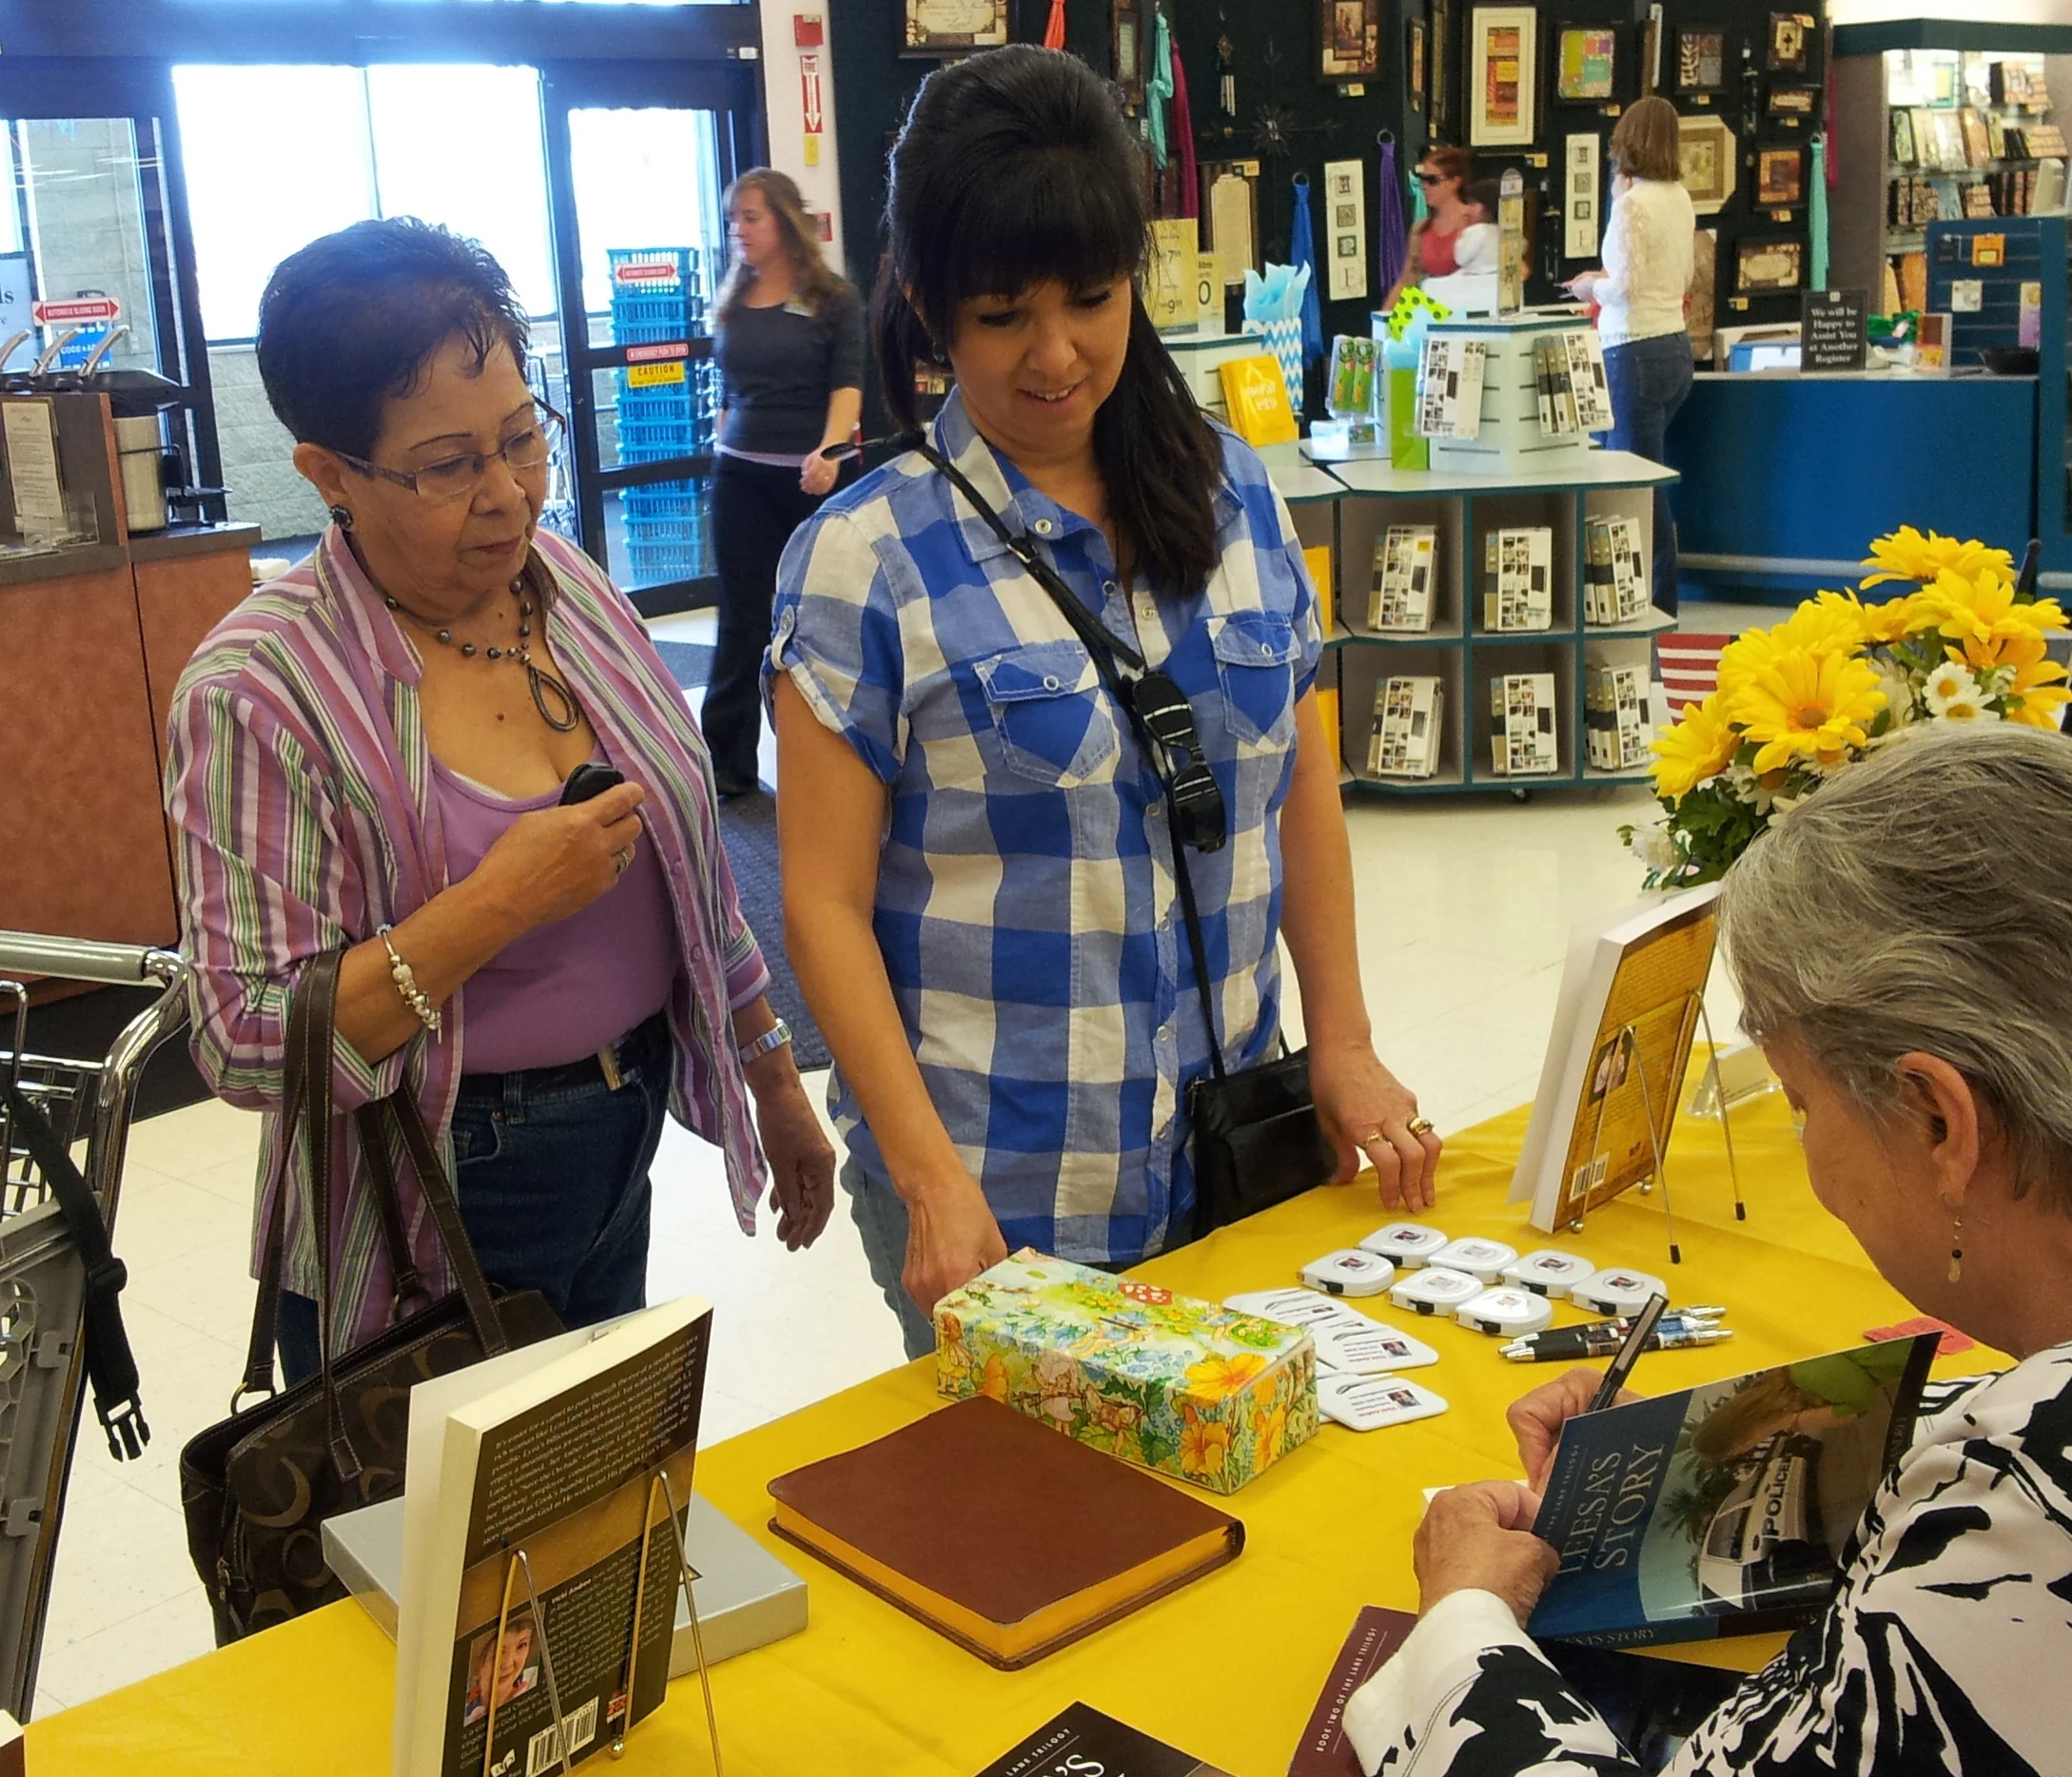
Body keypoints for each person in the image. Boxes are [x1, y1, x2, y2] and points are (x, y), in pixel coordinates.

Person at [1349, 724, 2072, 1777]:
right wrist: (1713, 1466)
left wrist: (1464, 1622)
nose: (1808, 1155)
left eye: (1802, 1101)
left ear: (1938, 1121)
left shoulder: (2055, 1489)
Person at [767, 46, 1435, 1359]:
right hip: (1006, 1185)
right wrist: (926, 1179)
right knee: (1048, 1551)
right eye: (1004, 312)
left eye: (1092, 296)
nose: (1057, 354)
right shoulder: (866, 558)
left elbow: (1302, 792)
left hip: (1240, 1144)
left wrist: (1342, 1040)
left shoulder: (1238, 493)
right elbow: (823, 904)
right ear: (929, 302)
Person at [167, 220, 837, 1382]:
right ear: (328, 472)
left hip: (621, 1130)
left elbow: (689, 846)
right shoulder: (260, 692)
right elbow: (244, 1036)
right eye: (445, 465)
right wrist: (495, 905)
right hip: (432, 1184)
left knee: (586, 1525)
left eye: (523, 439)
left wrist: (767, 1067)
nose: (507, 494)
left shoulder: (562, 577)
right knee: (436, 1549)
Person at [704, 169, 866, 801]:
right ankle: (726, 764)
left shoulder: (834, 300)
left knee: (821, 621)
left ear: (785, 221)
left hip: (814, 479)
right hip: (741, 476)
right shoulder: (733, 300)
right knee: (742, 621)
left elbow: (847, 383)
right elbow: (729, 386)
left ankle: (841, 754)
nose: (738, 231)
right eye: (732, 221)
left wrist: (829, 449)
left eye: (751, 217)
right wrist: (720, 436)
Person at [1574, 98, 1694, 614]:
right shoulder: (1680, 197)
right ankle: (1654, 602)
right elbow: (1682, 277)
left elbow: (1623, 287)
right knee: (1649, 480)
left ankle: (1651, 608)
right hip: (1674, 346)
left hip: (1633, 351)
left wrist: (1589, 287)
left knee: (1635, 490)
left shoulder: (1632, 205)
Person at [1391, 146, 1498, 300]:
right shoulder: (1421, 229)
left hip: (1473, 311)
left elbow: (1516, 270)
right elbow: (1406, 281)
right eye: (1422, 179)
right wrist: (1384, 319)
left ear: (1455, 182)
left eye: (1432, 181)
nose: (1424, 187)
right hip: (1437, 309)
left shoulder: (1476, 220)